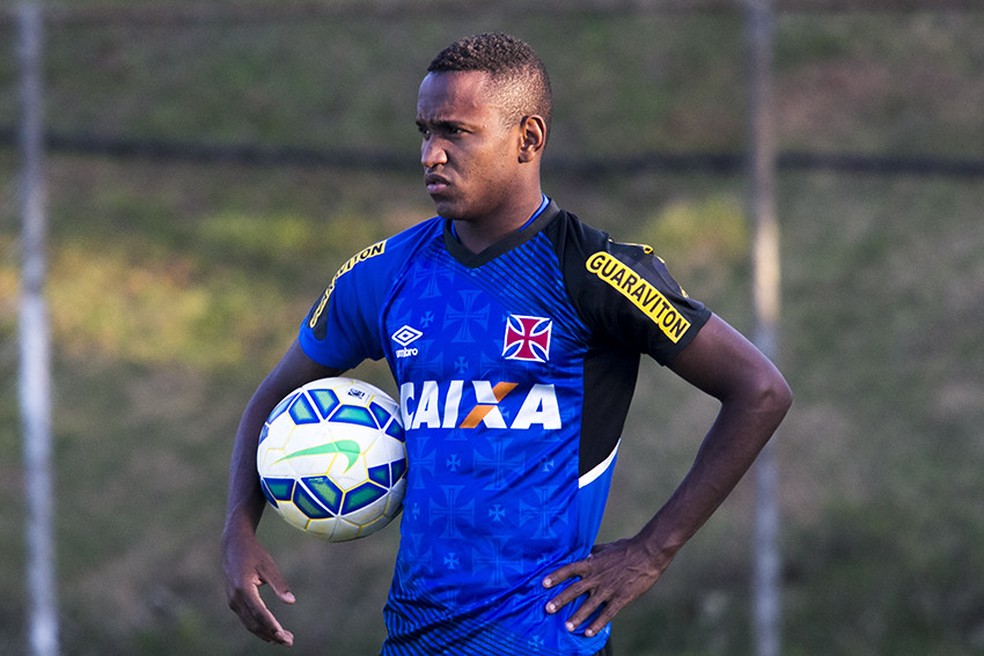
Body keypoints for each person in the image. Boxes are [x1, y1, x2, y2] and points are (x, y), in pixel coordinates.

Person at [222, 32, 792, 656]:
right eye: (425, 132)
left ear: (528, 139)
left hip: (547, 639)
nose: (431, 154)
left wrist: (652, 551)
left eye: (455, 132)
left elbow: (760, 391)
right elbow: (273, 398)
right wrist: (238, 530)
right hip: (415, 639)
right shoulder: (383, 273)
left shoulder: (593, 271)